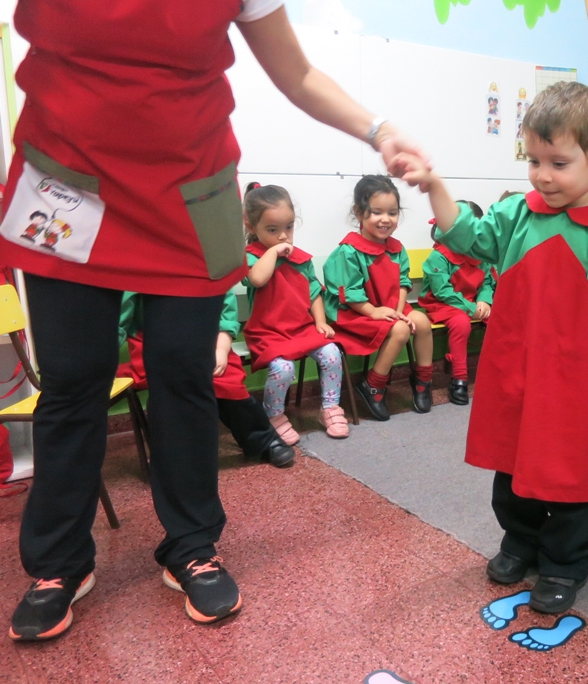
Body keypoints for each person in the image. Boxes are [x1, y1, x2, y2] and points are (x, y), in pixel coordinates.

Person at [1, 1, 428, 640]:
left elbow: (295, 72)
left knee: (184, 374)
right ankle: (58, 563)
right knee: (73, 378)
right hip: (66, 187)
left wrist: (379, 130)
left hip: (185, 194)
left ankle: (192, 546)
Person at [393, 81, 588, 614]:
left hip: (579, 386)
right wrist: (434, 184)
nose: (542, 176)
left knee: (573, 477)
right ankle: (520, 542)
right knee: (511, 470)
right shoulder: (518, 214)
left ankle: (563, 565)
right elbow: (466, 235)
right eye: (533, 161)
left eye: (559, 163)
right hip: (516, 373)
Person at [117, 291, 295, 467]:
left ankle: (263, 440)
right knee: (169, 390)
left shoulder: (212, 272)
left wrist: (221, 349)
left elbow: (226, 313)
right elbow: (120, 319)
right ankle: (170, 451)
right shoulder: (139, 273)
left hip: (207, 337)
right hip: (156, 340)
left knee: (229, 386)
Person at [242, 183, 349, 443]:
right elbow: (257, 279)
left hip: (301, 328)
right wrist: (273, 252)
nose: (283, 236)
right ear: (251, 227)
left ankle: (330, 407)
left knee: (332, 353)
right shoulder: (251, 257)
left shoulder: (301, 259)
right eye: (272, 230)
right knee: (283, 368)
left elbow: (314, 292)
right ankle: (273, 416)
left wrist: (320, 321)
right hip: (268, 333)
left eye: (288, 227)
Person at [323, 175, 434, 421]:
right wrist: (375, 312)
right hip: (356, 313)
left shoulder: (397, 248)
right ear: (359, 212)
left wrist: (398, 311)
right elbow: (350, 294)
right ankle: (372, 385)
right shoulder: (348, 251)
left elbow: (403, 283)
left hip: (389, 308)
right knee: (400, 330)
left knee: (422, 322)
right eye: (376, 212)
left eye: (392, 213)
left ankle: (423, 379)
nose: (386, 219)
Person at [419, 201, 497, 405]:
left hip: (472, 302)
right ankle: (459, 378)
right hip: (442, 304)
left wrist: (484, 300)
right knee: (461, 323)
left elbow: (487, 281)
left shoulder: (480, 254)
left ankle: (500, 371)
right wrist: (470, 308)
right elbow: (442, 291)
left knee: (500, 319)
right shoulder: (439, 256)